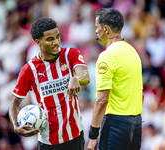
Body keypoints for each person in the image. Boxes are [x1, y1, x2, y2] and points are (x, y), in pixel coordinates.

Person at [9, 18, 90, 150]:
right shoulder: (29, 70)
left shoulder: (70, 54)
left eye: (58, 37)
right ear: (38, 42)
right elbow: (14, 103)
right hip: (48, 141)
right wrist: (16, 126)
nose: (56, 42)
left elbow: (85, 76)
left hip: (74, 135)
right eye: (50, 39)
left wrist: (77, 78)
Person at [87, 8, 143, 150]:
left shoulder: (107, 56)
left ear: (106, 29)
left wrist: (93, 136)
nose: (95, 31)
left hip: (116, 125)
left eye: (96, 27)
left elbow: (101, 100)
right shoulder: (133, 51)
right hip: (136, 124)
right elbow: (140, 95)